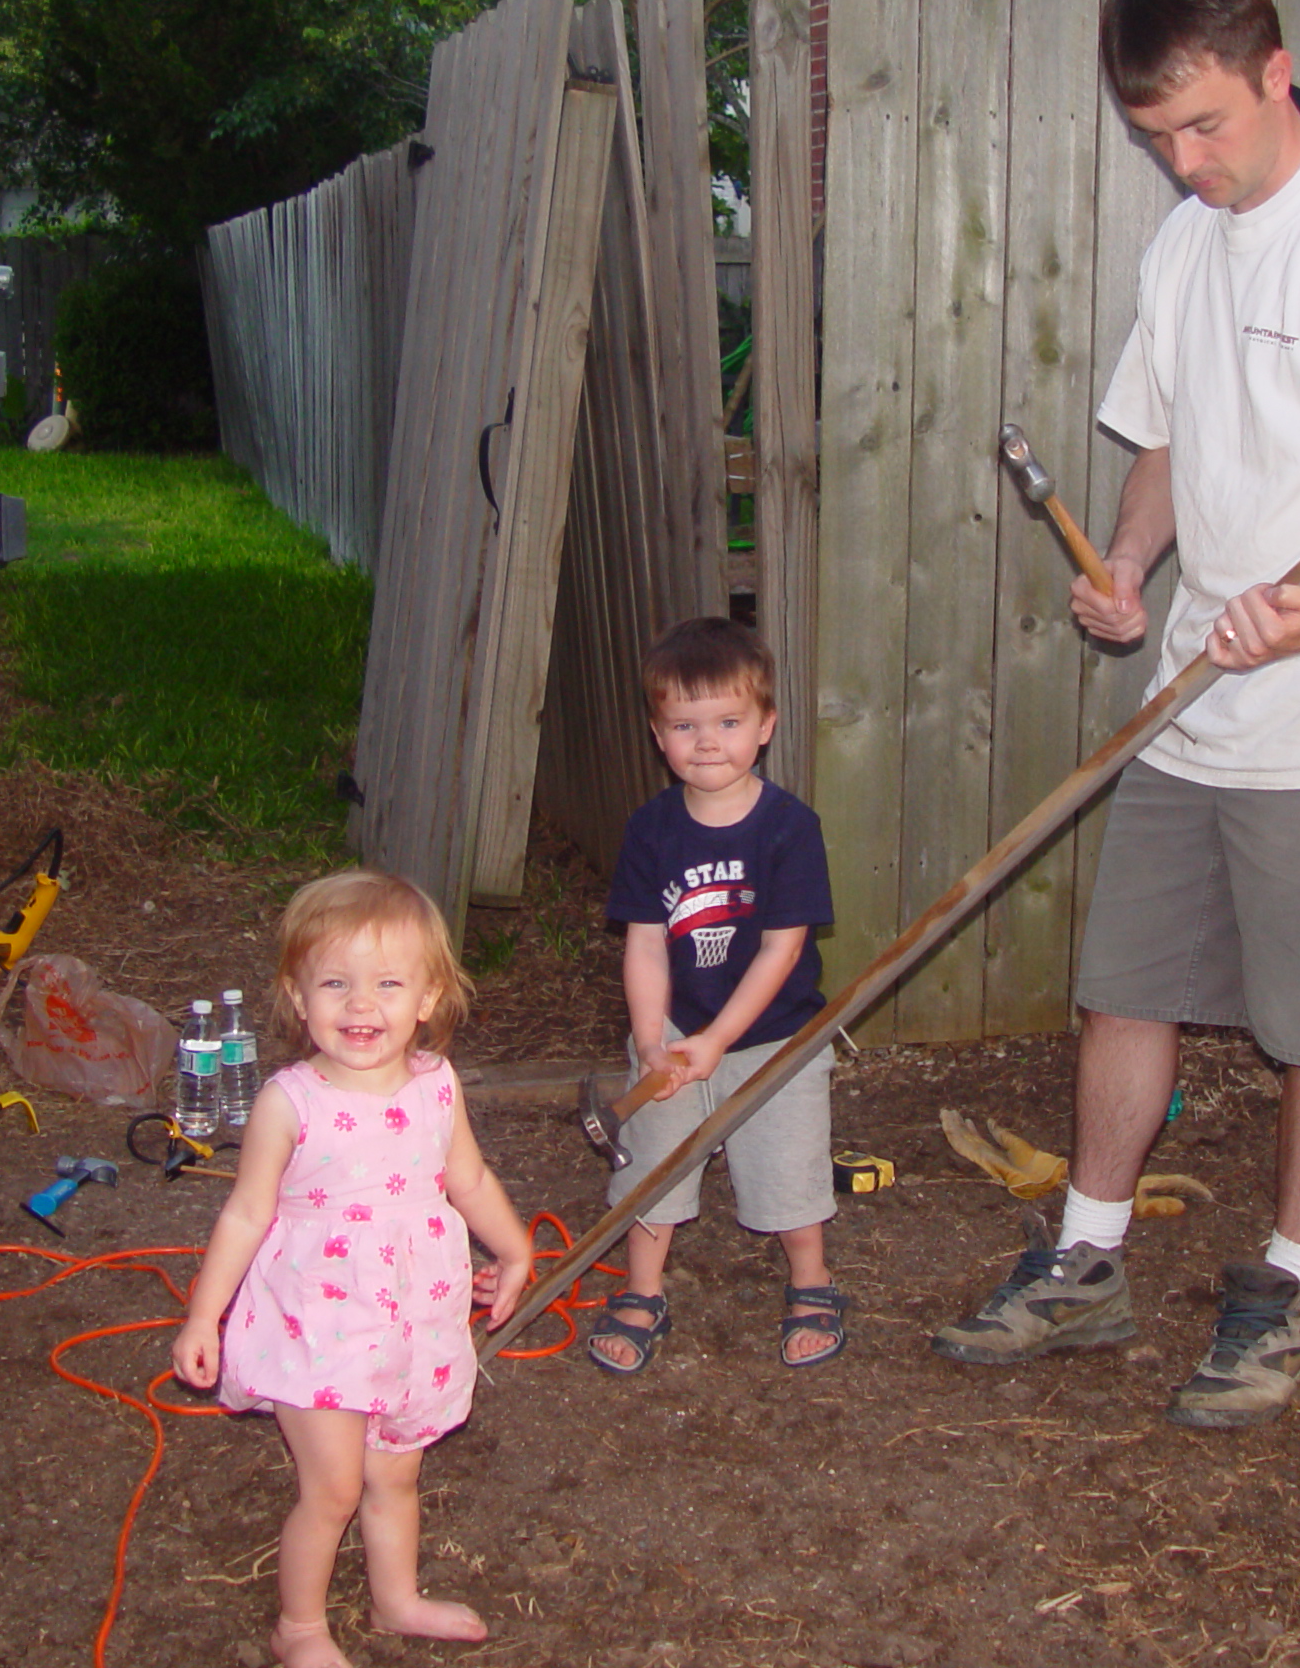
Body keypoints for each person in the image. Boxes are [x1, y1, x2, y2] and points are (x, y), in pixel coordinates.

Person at [932, 0, 1300, 1430]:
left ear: (1273, 73)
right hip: (1196, 699)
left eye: (1206, 128)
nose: (1186, 164)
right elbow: (1166, 442)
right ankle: (1089, 1264)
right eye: (1156, 139)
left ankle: (1292, 1292)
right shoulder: (1185, 247)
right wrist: (1125, 570)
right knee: (1127, 989)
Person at [174, 870, 536, 1660]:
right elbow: (244, 1213)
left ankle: (395, 1598)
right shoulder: (289, 1103)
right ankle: (297, 1628)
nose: (361, 1005)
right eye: (335, 983)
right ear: (299, 999)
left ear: (429, 997)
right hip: (320, 1323)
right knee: (333, 1487)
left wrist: (514, 1248)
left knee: (394, 1478)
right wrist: (206, 1314)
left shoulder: (438, 1086)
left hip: (413, 1317)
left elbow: (466, 1179)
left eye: (387, 984)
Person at [587, 616, 843, 1374]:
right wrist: (650, 1039)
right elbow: (642, 940)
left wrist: (721, 1040)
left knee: (788, 1163)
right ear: (657, 735)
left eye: (728, 722)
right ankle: (642, 1292)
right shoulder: (650, 829)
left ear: (764, 726)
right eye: (684, 725)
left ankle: (812, 1281)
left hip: (775, 1035)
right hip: (677, 1025)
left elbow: (782, 947)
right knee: (652, 1160)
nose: (707, 742)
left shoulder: (789, 829)